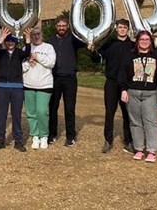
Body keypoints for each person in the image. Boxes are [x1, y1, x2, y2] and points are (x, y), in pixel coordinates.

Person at [90, 18, 134, 154]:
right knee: (110, 112)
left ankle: (129, 141)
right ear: (116, 29)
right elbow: (97, 58)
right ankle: (108, 140)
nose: (122, 29)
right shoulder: (109, 44)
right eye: (120, 27)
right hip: (111, 82)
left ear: (128, 29)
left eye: (125, 27)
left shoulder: (133, 45)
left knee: (128, 113)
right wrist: (92, 50)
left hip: (127, 84)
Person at [119, 30, 157, 163]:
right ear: (137, 41)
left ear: (151, 41)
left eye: (147, 39)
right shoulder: (130, 56)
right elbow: (123, 73)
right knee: (135, 122)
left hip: (150, 93)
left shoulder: (156, 56)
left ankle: (151, 151)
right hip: (133, 91)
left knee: (150, 122)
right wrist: (123, 90)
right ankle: (139, 149)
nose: (144, 42)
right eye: (142, 39)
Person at [47, 15, 87, 147]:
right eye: (59, 26)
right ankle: (52, 134)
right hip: (54, 77)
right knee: (52, 107)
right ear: (56, 27)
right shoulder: (50, 41)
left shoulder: (73, 39)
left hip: (69, 78)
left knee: (69, 108)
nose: (61, 28)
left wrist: (91, 43)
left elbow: (86, 42)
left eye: (64, 26)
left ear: (68, 27)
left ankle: (70, 136)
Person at [0, 27, 31, 152]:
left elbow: (27, 52)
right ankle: (0, 140)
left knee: (16, 115)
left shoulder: (19, 53)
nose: (10, 43)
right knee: (1, 115)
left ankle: (18, 141)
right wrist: (1, 38)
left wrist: (28, 40)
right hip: (2, 87)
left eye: (12, 41)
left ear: (16, 42)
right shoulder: (1, 53)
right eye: (7, 41)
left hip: (17, 87)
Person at [23, 27, 56, 150]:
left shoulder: (48, 48)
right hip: (28, 84)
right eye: (33, 34)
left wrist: (37, 57)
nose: (36, 36)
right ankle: (35, 135)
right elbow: (20, 66)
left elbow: (51, 63)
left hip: (44, 85)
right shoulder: (26, 48)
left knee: (42, 111)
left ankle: (44, 135)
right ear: (30, 36)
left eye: (38, 34)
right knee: (31, 113)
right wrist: (28, 62)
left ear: (42, 35)